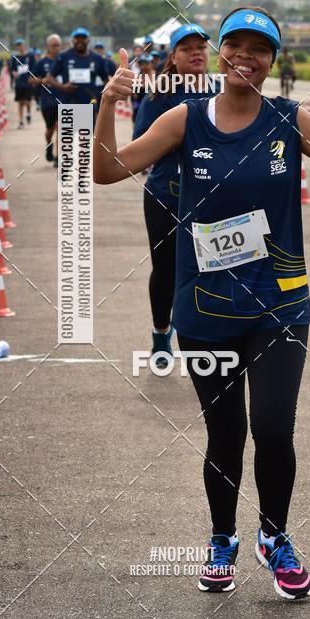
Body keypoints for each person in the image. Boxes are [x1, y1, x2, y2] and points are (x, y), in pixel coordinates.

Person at [94, 6, 310, 600]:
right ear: (221, 52)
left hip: (280, 305)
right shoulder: (185, 119)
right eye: (236, 45)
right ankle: (222, 538)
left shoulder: (291, 119)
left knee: (274, 428)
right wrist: (107, 104)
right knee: (225, 435)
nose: (245, 57)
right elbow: (105, 170)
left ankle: (274, 538)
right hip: (204, 310)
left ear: (273, 61)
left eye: (260, 49)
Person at [132, 24, 216, 366]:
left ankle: (206, 336)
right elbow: (140, 147)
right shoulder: (158, 96)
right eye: (186, 48)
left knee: (212, 268)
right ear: (174, 57)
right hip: (165, 196)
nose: (196, 53)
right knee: (165, 270)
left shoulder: (224, 92)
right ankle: (160, 334)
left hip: (214, 198)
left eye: (201, 47)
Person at [50, 27, 109, 118]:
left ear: (88, 40)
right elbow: (50, 77)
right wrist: (63, 87)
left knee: (87, 127)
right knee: (71, 128)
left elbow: (106, 80)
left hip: (89, 104)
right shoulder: (63, 56)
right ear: (73, 40)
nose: (80, 40)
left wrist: (106, 96)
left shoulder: (97, 58)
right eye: (77, 38)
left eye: (83, 38)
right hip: (68, 105)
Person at [31, 33, 62, 166]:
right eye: (53, 45)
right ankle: (49, 144)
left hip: (63, 100)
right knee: (50, 130)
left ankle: (58, 157)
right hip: (47, 101)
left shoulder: (64, 61)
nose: (56, 48)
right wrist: (42, 81)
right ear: (48, 47)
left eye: (58, 45)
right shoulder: (41, 62)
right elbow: (31, 79)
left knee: (61, 128)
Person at [8, 39, 36, 128]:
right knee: (20, 102)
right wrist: (14, 73)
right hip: (19, 83)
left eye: (20, 45)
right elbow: (13, 69)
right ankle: (21, 121)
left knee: (27, 102)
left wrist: (33, 77)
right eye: (18, 45)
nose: (19, 47)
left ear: (24, 45)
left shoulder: (30, 56)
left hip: (28, 82)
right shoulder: (15, 58)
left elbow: (34, 68)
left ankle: (28, 113)